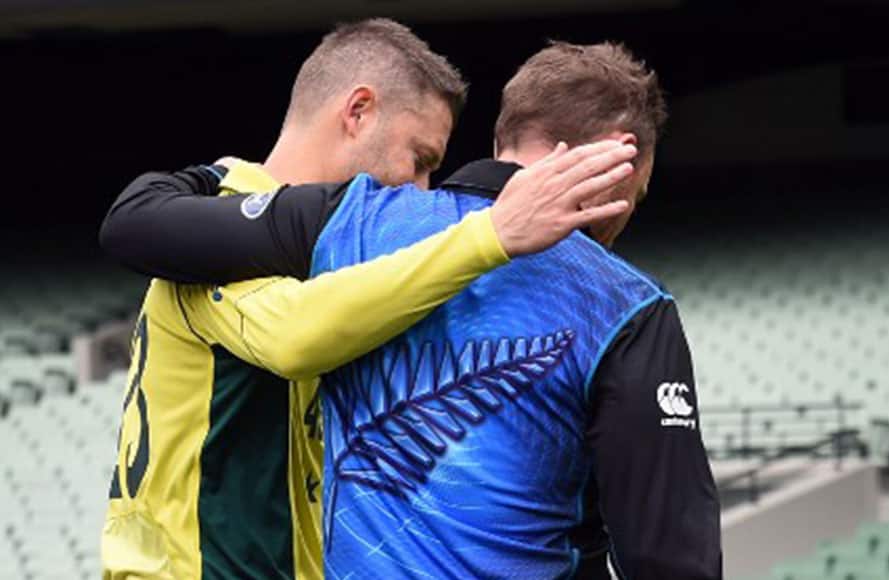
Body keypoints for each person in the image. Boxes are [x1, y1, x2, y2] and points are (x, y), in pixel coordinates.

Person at [97, 19, 636, 580]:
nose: (422, 191)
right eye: (420, 158)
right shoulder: (220, 228)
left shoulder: (323, 253)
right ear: (357, 112)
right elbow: (297, 338)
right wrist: (490, 236)